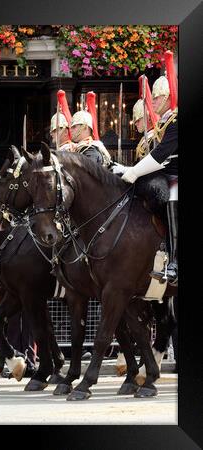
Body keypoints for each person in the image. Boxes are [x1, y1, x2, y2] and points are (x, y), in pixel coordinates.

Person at [113, 54, 178, 285]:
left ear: (169, 97)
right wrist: (128, 169)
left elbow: (161, 155)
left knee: (171, 195)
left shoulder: (175, 120)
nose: (156, 102)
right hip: (165, 173)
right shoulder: (164, 122)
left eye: (159, 97)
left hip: (175, 174)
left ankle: (175, 260)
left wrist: (135, 172)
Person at [69, 92, 113, 167]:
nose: (71, 130)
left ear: (85, 127)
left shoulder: (90, 150)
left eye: (74, 127)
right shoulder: (81, 148)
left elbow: (84, 176)